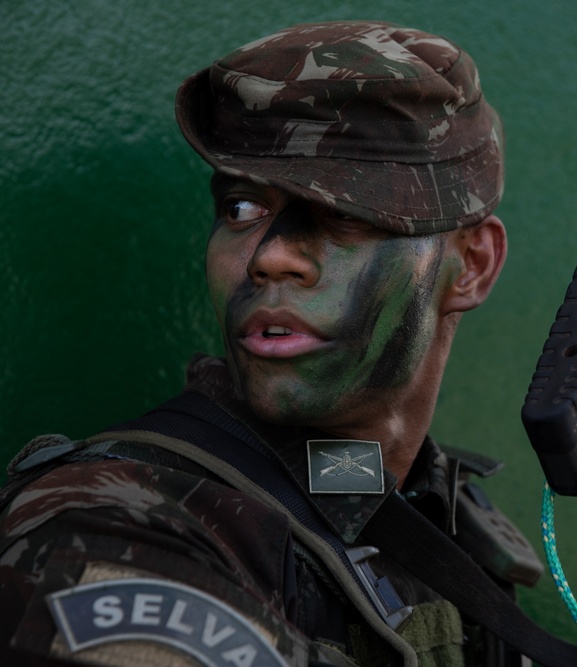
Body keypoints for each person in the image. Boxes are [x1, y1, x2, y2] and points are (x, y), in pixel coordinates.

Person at [0, 20, 539, 667]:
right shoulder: (111, 520)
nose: (272, 256)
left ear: (472, 262)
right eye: (242, 208)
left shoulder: (424, 506)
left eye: (344, 212)